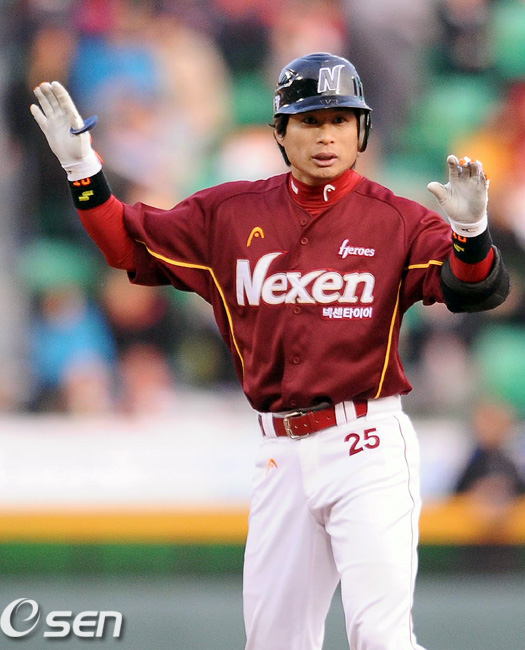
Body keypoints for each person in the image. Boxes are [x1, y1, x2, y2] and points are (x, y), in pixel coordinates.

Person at [30, 52, 510, 650]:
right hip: (279, 451)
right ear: (280, 132)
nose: (327, 135)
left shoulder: (396, 219)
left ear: (361, 131)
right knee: (273, 641)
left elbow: (474, 289)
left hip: (367, 444)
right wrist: (82, 168)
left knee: (380, 636)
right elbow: (127, 243)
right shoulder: (228, 213)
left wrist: (471, 236)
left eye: (340, 119)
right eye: (310, 120)